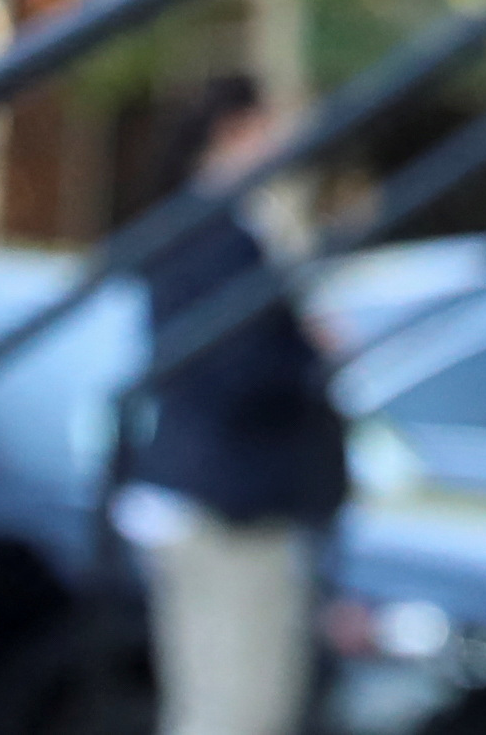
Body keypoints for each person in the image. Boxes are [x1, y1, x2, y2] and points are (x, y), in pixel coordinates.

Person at [114, 74, 344, 735]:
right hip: (234, 502)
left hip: (198, 489)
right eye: (270, 127)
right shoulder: (225, 237)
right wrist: (311, 349)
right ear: (235, 130)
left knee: (209, 699)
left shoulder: (188, 224)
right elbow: (240, 373)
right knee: (242, 705)